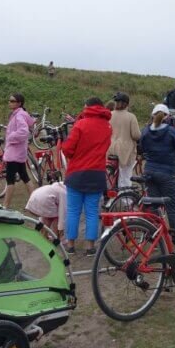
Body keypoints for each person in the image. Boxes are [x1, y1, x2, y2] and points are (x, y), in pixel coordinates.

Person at [61, 97, 112, 256]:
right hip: (97, 173)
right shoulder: (107, 126)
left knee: (73, 210)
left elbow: (68, 149)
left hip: (77, 172)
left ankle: (70, 245)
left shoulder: (80, 124)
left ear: (88, 107)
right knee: (92, 211)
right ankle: (90, 246)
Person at [138, 104, 175, 247]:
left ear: (152, 115)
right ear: (167, 117)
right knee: (172, 206)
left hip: (149, 171)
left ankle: (154, 235)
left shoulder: (146, 131)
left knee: (154, 206)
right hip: (166, 172)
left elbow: (141, 148)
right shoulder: (171, 131)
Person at [2, 93, 36, 210]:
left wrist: (10, 137)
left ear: (19, 103)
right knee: (25, 176)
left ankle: (5, 206)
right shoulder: (20, 114)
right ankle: (34, 202)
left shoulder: (19, 116)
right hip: (19, 152)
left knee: (10, 180)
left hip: (14, 153)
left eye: (12, 101)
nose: (9, 102)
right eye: (9, 100)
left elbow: (23, 132)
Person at [108, 92, 142, 188]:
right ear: (127, 104)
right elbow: (136, 135)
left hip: (110, 147)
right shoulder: (131, 117)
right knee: (125, 175)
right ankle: (125, 198)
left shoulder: (109, 114)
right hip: (125, 150)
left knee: (109, 172)